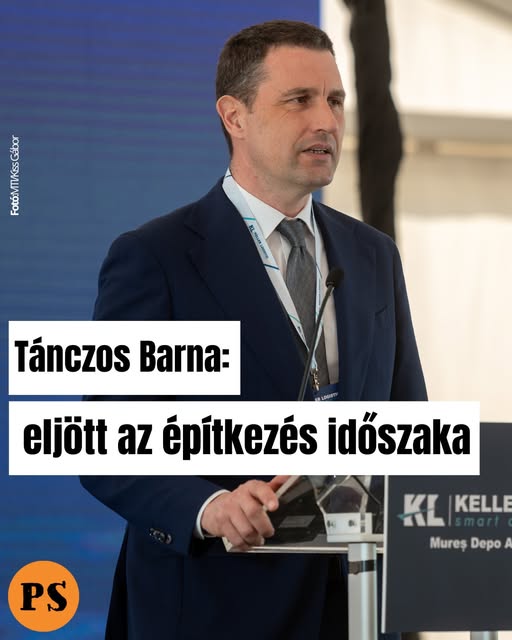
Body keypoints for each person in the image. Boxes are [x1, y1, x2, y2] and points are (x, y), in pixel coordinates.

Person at [81, 20, 426, 640]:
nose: (326, 121)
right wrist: (209, 508)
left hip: (358, 607)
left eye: (336, 100)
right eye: (299, 100)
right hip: (219, 606)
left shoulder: (374, 256)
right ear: (234, 116)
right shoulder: (157, 257)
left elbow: (408, 421)